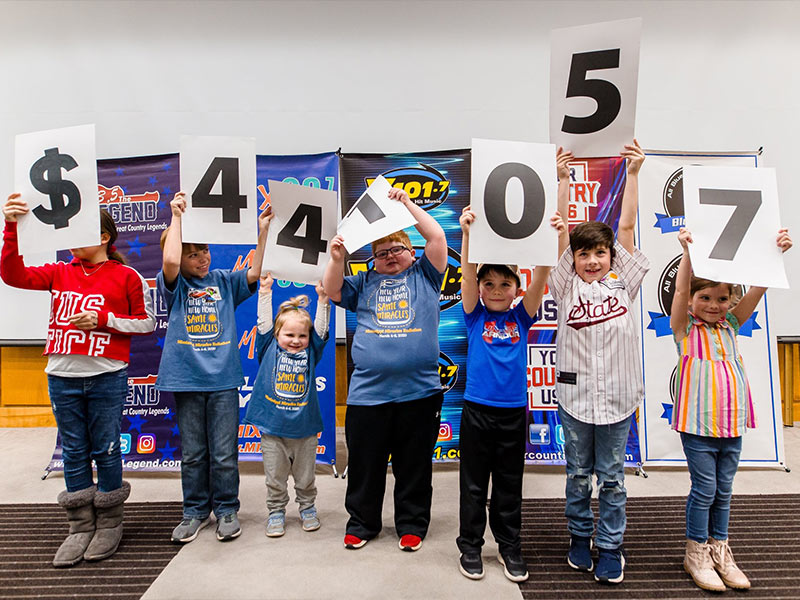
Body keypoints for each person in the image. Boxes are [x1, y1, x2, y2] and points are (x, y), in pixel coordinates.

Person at [1, 193, 156, 568]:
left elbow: (148, 322)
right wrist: (11, 227)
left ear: (104, 236)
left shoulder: (127, 276)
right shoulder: (60, 271)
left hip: (106, 376)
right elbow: (12, 274)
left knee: (105, 448)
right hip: (62, 375)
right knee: (73, 451)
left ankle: (110, 524)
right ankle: (79, 527)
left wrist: (103, 320)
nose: (71, 237)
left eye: (81, 230)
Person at [323, 187, 447, 552]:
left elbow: (436, 236)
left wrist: (407, 205)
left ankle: (411, 524)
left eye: (398, 250)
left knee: (414, 466)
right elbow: (331, 290)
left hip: (419, 392)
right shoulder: (362, 283)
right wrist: (337, 257)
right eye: (381, 253)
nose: (391, 256)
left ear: (412, 254)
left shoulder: (426, 276)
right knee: (365, 465)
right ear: (372, 261)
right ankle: (362, 523)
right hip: (367, 393)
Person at [549, 140, 649, 584]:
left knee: (612, 479)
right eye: (584, 253)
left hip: (618, 400)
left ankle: (609, 545)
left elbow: (625, 227)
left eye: (600, 253)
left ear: (611, 258)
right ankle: (578, 536)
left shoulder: (623, 285)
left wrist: (633, 174)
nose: (592, 260)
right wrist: (563, 181)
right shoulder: (566, 285)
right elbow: (560, 236)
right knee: (577, 477)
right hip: (575, 399)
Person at [670, 226, 791, 591]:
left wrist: (775, 253)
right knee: (704, 489)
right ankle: (696, 552)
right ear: (692, 301)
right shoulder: (684, 330)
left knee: (724, 490)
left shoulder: (731, 325)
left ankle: (719, 548)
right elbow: (679, 289)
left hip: (731, 425)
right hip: (697, 427)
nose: (713, 305)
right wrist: (688, 253)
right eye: (705, 297)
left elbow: (758, 289)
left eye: (722, 299)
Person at [456, 205, 564, 582]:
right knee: (472, 485)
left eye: (506, 285)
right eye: (490, 285)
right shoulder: (475, 315)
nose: (497, 291)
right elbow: (468, 275)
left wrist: (549, 244)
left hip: (514, 413)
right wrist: (467, 234)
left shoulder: (522, 315)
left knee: (508, 484)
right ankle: (470, 546)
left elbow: (542, 279)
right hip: (477, 411)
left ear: (516, 290)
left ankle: (508, 546)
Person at [157, 191, 271, 544]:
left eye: (203, 250)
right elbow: (171, 263)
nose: (202, 258)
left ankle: (226, 509)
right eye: (194, 254)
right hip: (187, 380)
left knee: (223, 453)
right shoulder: (175, 285)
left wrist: (263, 230)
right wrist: (176, 218)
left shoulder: (223, 280)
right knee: (193, 454)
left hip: (223, 381)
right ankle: (194, 511)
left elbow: (254, 271)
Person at [244, 273, 330, 538]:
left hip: (304, 430)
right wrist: (265, 291)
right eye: (289, 334)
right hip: (272, 428)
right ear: (277, 335)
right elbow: (263, 323)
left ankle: (307, 507)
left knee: (305, 478)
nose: (295, 340)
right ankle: (276, 511)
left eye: (302, 335)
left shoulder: (311, 351)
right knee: (275, 477)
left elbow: (322, 330)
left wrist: (323, 299)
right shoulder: (268, 345)